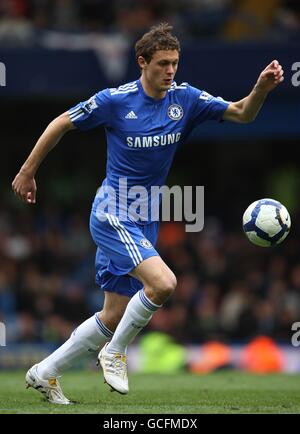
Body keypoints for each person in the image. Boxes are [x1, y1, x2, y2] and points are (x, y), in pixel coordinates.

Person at [12, 22, 284, 405]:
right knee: (163, 284)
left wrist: (260, 90)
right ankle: (115, 353)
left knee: (112, 315)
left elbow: (242, 114)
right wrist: (27, 171)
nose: (170, 71)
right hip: (113, 211)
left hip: (144, 216)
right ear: (142, 62)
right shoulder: (114, 100)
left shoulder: (185, 99)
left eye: (174, 63)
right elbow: (61, 122)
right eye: (162, 64)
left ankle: (45, 372)